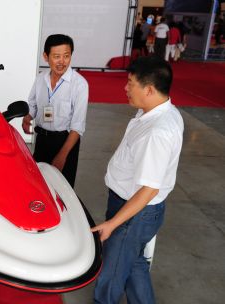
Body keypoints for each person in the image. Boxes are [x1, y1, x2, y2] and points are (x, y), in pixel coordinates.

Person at [92, 56, 184, 304]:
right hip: (131, 210)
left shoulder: (157, 131)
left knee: (110, 277)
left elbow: (148, 190)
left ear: (150, 89)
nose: (125, 87)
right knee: (134, 266)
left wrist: (112, 224)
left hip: (133, 213)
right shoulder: (159, 113)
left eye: (130, 83)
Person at [22, 34, 88, 188]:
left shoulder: (79, 85)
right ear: (46, 56)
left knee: (62, 189)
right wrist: (28, 117)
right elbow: (32, 102)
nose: (62, 62)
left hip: (65, 142)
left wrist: (62, 155)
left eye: (66, 56)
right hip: (42, 140)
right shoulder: (41, 78)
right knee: (39, 184)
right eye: (56, 56)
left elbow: (77, 126)